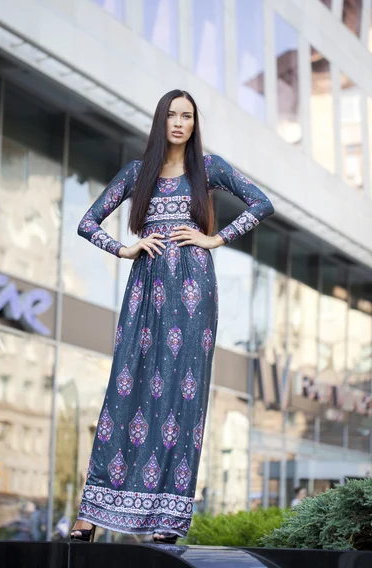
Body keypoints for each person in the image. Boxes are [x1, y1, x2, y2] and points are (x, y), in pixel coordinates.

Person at [70, 90, 274, 544]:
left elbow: (262, 204)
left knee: (183, 398)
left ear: (194, 123)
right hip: (145, 290)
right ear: (160, 121)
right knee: (127, 388)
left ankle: (167, 518)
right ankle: (90, 515)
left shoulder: (210, 168)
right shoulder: (136, 173)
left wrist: (214, 239)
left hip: (194, 293)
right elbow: (87, 223)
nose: (179, 123)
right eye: (172, 115)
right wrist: (124, 248)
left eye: (187, 116)